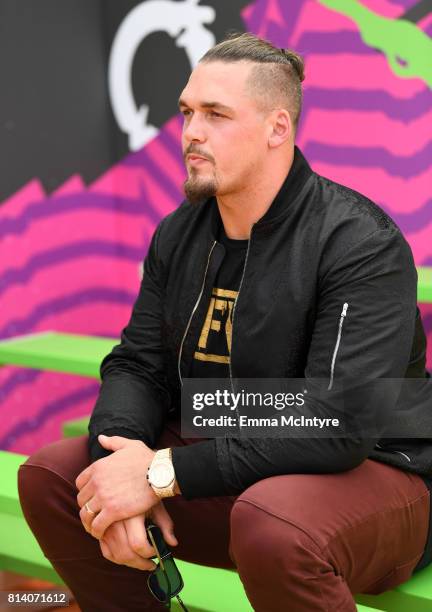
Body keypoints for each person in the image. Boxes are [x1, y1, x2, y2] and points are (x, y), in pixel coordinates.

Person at [18, 32, 432, 612]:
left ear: (277, 129)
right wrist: (122, 466)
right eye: (187, 112)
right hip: (229, 461)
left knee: (276, 525)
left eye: (216, 115)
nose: (191, 132)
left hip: (377, 474)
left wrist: (162, 473)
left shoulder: (358, 241)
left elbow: (339, 420)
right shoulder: (179, 232)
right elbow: (139, 363)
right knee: (59, 480)